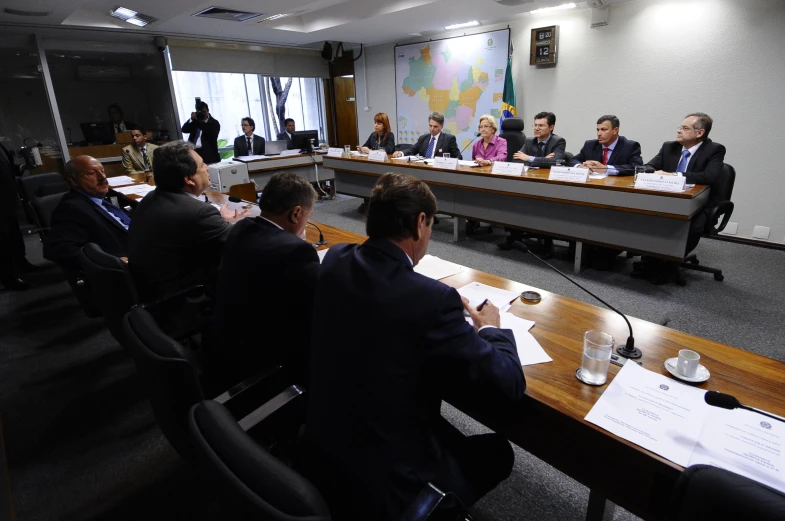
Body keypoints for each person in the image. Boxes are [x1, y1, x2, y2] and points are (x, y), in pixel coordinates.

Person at [304, 173, 525, 520]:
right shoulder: (432, 301)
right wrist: (491, 330)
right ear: (420, 223)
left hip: (322, 440)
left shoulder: (336, 258)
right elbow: (508, 385)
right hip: (388, 479)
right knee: (499, 452)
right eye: (433, 226)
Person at [214, 172, 318, 383]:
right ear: (296, 213)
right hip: (267, 354)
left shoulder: (241, 227)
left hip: (225, 336)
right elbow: (316, 305)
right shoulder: (296, 252)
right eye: (308, 217)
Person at [127, 141, 247, 301]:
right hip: (185, 300)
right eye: (202, 164)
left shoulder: (151, 199)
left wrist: (220, 221)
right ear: (189, 179)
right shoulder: (198, 212)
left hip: (151, 292)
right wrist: (232, 223)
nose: (207, 167)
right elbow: (241, 243)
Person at [646, 112, 726, 254]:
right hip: (667, 198)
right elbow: (650, 166)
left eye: (685, 128)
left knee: (691, 226)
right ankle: (651, 254)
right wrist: (652, 171)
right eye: (680, 127)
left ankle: (672, 260)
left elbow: (710, 177)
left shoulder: (714, 150)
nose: (679, 130)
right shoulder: (669, 147)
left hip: (699, 204)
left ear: (700, 133)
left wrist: (674, 175)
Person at [44, 156, 130, 274]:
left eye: (102, 171)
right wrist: (109, 261)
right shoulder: (70, 209)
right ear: (73, 180)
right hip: (127, 264)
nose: (102, 177)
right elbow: (56, 249)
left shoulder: (96, 200)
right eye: (91, 173)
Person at [0, 142, 37, 290]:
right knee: (3, 240)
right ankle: (9, 278)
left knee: (13, 233)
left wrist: (22, 168)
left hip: (8, 198)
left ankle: (21, 263)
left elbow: (7, 168)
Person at [568, 115, 643, 175]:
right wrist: (580, 166)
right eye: (598, 130)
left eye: (604, 130)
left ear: (615, 130)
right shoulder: (590, 145)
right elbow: (573, 160)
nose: (599, 134)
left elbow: (637, 167)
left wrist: (606, 169)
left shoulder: (630, 146)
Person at [391, 112, 462, 159]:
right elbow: (412, 150)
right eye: (430, 125)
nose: (432, 129)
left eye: (435, 126)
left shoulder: (449, 139)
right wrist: (400, 153)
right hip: (424, 170)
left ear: (441, 126)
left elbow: (459, 157)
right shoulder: (423, 138)